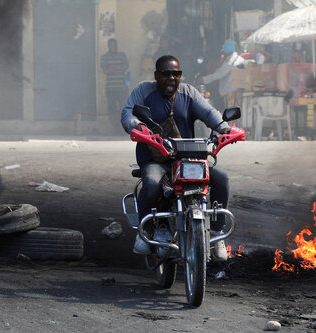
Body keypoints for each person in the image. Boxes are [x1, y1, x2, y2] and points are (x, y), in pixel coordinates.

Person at [121, 55, 231, 261]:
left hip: (186, 157)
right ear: (156, 75)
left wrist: (223, 127)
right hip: (155, 158)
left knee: (221, 179)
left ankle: (217, 232)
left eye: (176, 74)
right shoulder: (143, 91)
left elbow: (208, 112)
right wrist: (136, 126)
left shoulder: (188, 93)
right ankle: (146, 232)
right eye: (166, 74)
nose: (171, 78)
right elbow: (128, 113)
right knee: (152, 183)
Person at [200, 40, 246, 111]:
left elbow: (220, 74)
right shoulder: (239, 59)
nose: (223, 52)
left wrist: (203, 79)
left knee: (231, 115)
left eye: (224, 50)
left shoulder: (231, 60)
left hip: (231, 93)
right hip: (236, 91)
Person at [101, 38, 129, 135]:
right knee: (112, 109)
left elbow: (125, 66)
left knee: (123, 108)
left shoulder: (122, 55)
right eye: (111, 45)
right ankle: (113, 129)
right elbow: (106, 71)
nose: (113, 47)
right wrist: (118, 67)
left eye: (115, 45)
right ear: (108, 46)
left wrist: (112, 67)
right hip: (110, 88)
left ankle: (122, 129)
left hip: (122, 87)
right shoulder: (104, 57)